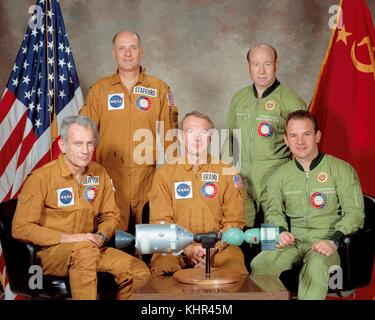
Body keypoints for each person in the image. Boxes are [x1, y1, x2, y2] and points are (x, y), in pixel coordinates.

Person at [12, 115, 150, 300]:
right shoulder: (41, 179)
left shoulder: (99, 173)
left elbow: (110, 216)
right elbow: (21, 228)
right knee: (83, 254)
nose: (85, 151)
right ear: (63, 146)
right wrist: (70, 239)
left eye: (90, 143)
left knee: (139, 271)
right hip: (51, 253)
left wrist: (101, 236)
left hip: (91, 247)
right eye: (78, 144)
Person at [250, 110, 365, 300]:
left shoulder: (341, 170)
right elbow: (273, 212)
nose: (300, 142)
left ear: (317, 136)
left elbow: (355, 214)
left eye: (306, 134)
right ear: (286, 140)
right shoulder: (279, 176)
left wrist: (333, 240)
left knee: (315, 266)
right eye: (293, 136)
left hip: (325, 242)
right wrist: (280, 232)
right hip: (293, 242)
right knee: (260, 264)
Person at [80, 30, 178, 232]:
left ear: (141, 51)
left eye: (133, 48)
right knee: (113, 235)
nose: (127, 54)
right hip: (110, 176)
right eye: (121, 48)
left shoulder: (159, 89)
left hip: (147, 176)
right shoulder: (100, 90)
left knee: (150, 238)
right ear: (114, 53)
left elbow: (171, 136)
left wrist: (174, 175)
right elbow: (84, 133)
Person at [148, 111, 248, 276]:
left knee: (235, 270)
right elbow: (160, 222)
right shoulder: (164, 174)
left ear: (210, 139)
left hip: (219, 247)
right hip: (174, 248)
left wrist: (214, 248)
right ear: (180, 137)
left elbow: (234, 221)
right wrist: (187, 248)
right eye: (191, 131)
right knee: (161, 270)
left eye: (203, 132)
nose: (197, 138)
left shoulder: (228, 172)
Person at [225, 43, 307, 227]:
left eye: (267, 64)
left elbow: (304, 147)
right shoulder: (239, 98)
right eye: (255, 64)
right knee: (241, 232)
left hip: (274, 177)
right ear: (248, 67)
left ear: (276, 65)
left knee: (272, 234)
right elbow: (230, 140)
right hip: (241, 178)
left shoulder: (291, 101)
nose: (261, 71)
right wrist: (229, 174)